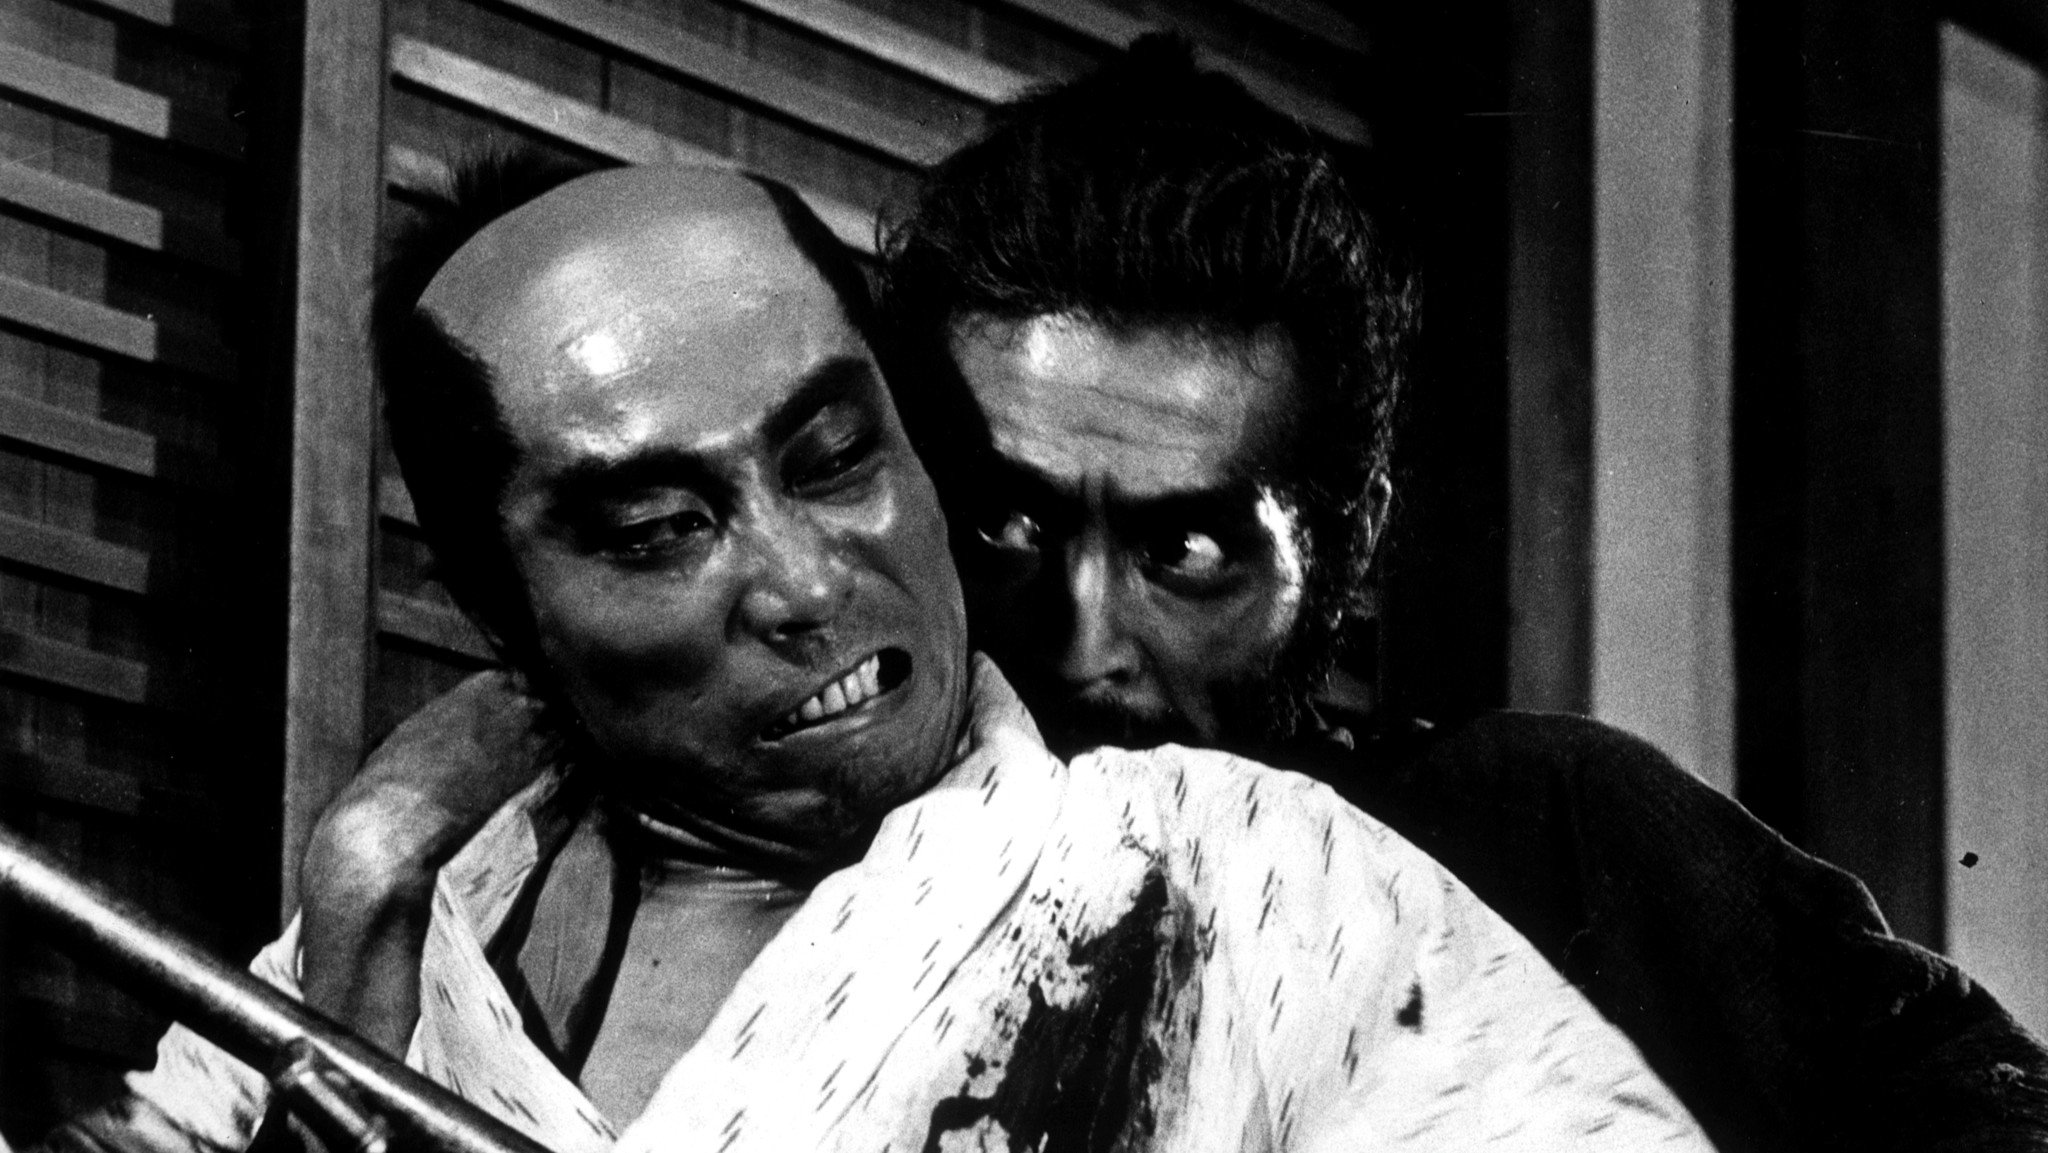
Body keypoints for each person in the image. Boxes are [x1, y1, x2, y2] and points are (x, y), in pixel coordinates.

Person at [304, 35, 2048, 1153]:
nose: (1084, 642)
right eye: (1005, 521)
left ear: (1343, 554)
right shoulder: (619, 874)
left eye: (1189, 551)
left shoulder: (1531, 834)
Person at [25, 163, 1709, 1153]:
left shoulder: (1232, 874)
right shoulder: (417, 905)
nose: (805, 579)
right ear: (501, 603)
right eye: (659, 527)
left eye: (835, 456)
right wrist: (365, 904)